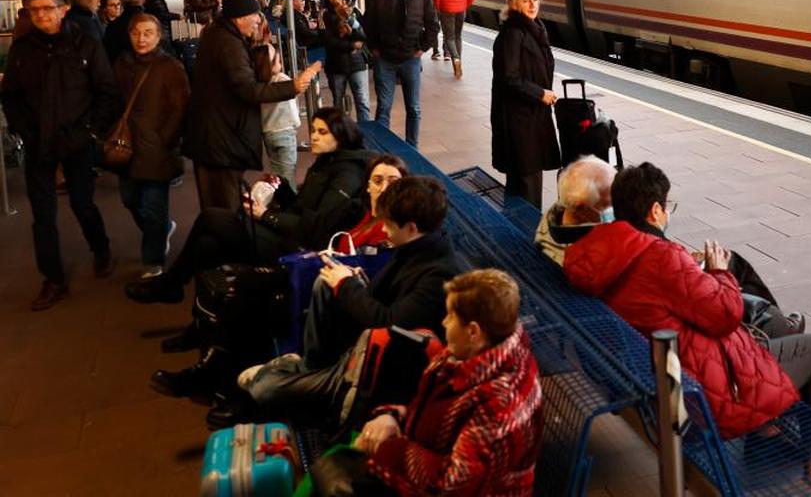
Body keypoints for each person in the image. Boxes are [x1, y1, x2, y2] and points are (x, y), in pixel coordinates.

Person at [563, 162, 811, 443]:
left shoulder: (600, 250)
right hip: (697, 396)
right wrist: (719, 271)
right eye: (667, 205)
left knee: (776, 330)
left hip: (645, 375)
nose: (668, 212)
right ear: (655, 211)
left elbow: (654, 293)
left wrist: (690, 272)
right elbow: (726, 315)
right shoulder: (661, 257)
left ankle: (769, 427)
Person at [236, 176, 461, 426]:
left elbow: (387, 323)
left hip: (379, 369)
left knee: (262, 389)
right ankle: (310, 367)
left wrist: (348, 285)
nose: (384, 230)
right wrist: (357, 280)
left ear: (410, 228)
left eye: (388, 224)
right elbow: (387, 299)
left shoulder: (438, 274)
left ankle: (310, 383)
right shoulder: (414, 248)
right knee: (325, 283)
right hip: (365, 347)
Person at [128, 106, 371, 307]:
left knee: (211, 218)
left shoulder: (347, 173)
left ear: (340, 136)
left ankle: (171, 285)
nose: (314, 136)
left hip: (300, 247)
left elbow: (318, 225)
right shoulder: (327, 162)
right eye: (314, 130)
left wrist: (266, 216)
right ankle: (198, 318)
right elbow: (304, 206)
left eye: (322, 132)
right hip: (289, 233)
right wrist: (283, 188)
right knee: (206, 246)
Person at [349, 269, 543, 497]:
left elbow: (453, 483)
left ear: (473, 332)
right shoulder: (470, 356)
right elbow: (429, 413)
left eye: (450, 316)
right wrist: (392, 416)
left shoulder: (500, 404)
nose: (443, 322)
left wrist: (388, 449)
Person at [1, 0, 120, 310]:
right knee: (42, 216)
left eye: (46, 8)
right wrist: (24, 129)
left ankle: (101, 249)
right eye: (33, 10)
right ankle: (53, 279)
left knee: (83, 204)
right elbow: (10, 95)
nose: (40, 15)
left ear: (63, 9)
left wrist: (90, 131)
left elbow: (106, 91)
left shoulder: (86, 44)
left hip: (77, 142)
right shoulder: (22, 49)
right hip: (39, 144)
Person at [181, 0, 320, 211]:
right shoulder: (228, 43)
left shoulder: (219, 35)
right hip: (220, 141)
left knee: (218, 205)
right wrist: (292, 86)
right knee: (225, 208)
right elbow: (248, 89)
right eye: (255, 16)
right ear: (241, 17)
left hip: (213, 137)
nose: (258, 21)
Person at [114, 13, 189, 278]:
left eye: (148, 33)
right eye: (136, 33)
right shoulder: (121, 64)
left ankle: (153, 259)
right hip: (129, 148)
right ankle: (163, 229)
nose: (141, 38)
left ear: (158, 37)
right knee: (130, 199)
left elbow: (181, 107)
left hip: (158, 149)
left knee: (154, 204)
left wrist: (165, 139)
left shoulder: (170, 67)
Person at [491, 0, 560, 208]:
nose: (532, 5)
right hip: (519, 120)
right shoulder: (513, 33)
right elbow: (509, 78)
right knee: (527, 182)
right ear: (513, 4)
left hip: (530, 117)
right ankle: (526, 236)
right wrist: (540, 93)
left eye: (535, 0)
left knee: (521, 180)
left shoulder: (534, 28)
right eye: (526, 0)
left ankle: (513, 232)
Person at [363, 0, 436, 145]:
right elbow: (368, 22)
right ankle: (382, 148)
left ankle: (412, 147)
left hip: (410, 59)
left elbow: (433, 25)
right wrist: (373, 48)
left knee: (413, 108)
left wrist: (422, 48)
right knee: (383, 108)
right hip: (385, 59)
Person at [535, 155, 615, 264]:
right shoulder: (590, 255)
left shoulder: (554, 215)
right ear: (580, 207)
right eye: (608, 205)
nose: (616, 208)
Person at [322, 0, 371, 123]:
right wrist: (351, 45)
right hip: (336, 65)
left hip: (357, 63)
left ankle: (365, 135)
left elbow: (363, 36)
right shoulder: (324, 14)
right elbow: (328, 42)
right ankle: (341, 135)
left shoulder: (354, 11)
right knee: (338, 102)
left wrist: (349, 19)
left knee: (362, 101)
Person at [254, 44, 301, 189]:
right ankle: (290, 205)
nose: (280, 64)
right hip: (285, 132)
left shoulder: (258, 85)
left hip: (268, 134)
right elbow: (295, 95)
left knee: (278, 175)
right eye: (278, 61)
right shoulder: (281, 79)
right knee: (289, 175)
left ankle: (281, 200)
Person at [104, 0, 150, 64]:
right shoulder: (152, 23)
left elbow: (109, 57)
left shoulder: (112, 27)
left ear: (121, 1)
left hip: (122, 73)